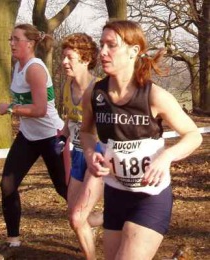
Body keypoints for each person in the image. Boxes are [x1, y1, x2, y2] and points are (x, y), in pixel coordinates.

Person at [80, 20, 203, 260]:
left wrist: (166, 157)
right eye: (101, 44)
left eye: (111, 45)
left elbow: (193, 135)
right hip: (115, 195)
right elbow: (85, 132)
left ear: (134, 51)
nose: (103, 52)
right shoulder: (94, 94)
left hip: (151, 197)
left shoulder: (154, 95)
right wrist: (89, 153)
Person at [0, 23, 68, 247]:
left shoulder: (35, 68)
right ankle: (14, 240)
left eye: (16, 39)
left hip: (51, 136)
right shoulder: (18, 67)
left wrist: (9, 109)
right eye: (11, 39)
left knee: (64, 189)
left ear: (30, 43)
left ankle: (93, 219)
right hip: (28, 136)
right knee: (7, 184)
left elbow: (40, 110)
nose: (12, 43)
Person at [60, 33, 103, 260]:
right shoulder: (67, 85)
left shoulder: (99, 89)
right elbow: (70, 120)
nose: (64, 62)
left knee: (78, 218)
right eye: (63, 57)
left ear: (85, 59)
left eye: (70, 57)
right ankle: (110, 216)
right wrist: (62, 136)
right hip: (78, 155)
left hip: (98, 158)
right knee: (73, 215)